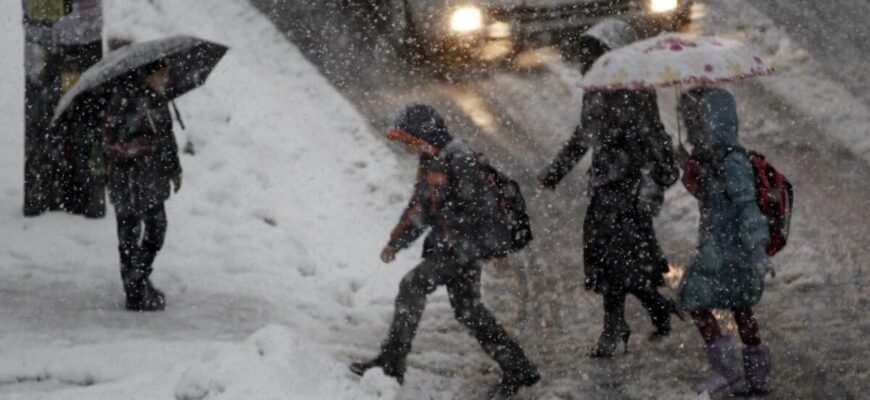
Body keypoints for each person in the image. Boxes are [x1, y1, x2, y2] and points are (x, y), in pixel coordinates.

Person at [350, 104, 539, 398]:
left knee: (412, 286)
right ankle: (518, 367)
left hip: (462, 249)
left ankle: (391, 364)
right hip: (453, 247)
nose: (406, 148)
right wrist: (395, 242)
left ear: (423, 135)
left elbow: (487, 206)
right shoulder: (431, 161)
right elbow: (420, 209)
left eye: (408, 141)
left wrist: (498, 249)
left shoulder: (458, 159)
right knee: (468, 310)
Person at [677, 87, 773, 396]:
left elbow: (746, 205)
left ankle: (731, 372)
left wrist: (757, 246)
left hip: (729, 250)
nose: (692, 129)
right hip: (719, 247)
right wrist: (693, 175)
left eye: (695, 121)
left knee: (698, 299)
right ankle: (754, 376)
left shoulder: (731, 160)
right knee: (738, 307)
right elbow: (712, 200)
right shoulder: (711, 159)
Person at [102, 62, 182, 312]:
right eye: (162, 74)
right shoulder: (123, 101)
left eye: (167, 74)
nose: (166, 79)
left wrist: (174, 169)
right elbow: (110, 141)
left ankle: (137, 279)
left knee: (152, 229)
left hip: (150, 178)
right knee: (131, 232)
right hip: (130, 179)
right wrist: (140, 148)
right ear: (149, 75)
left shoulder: (159, 101)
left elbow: (167, 138)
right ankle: (135, 289)